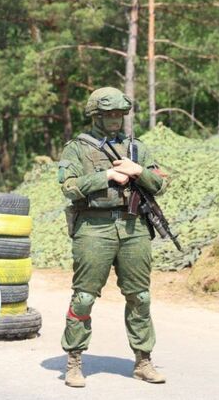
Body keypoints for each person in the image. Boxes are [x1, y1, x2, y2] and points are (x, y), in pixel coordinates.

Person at [57, 87, 168, 387]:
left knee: (140, 296)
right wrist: (105, 176)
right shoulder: (77, 148)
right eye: (109, 114)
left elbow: (160, 184)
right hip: (94, 227)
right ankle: (74, 360)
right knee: (84, 297)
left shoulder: (137, 148)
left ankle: (143, 361)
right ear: (96, 116)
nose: (116, 119)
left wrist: (138, 170)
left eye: (120, 114)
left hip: (133, 227)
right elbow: (68, 187)